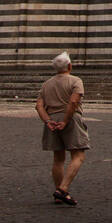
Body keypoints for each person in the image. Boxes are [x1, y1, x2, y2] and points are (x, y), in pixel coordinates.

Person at [35, 52, 89, 205]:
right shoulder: (75, 80)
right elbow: (73, 103)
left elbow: (39, 105)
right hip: (70, 119)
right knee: (78, 155)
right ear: (70, 66)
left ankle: (59, 192)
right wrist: (65, 121)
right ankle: (63, 189)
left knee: (58, 158)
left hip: (52, 119)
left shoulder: (47, 84)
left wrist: (48, 121)